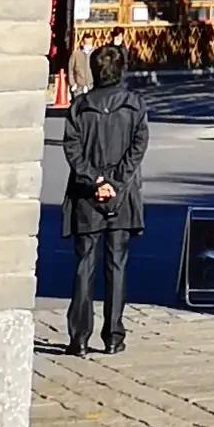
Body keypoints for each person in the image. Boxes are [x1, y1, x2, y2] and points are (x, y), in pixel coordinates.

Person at [63, 41, 147, 353]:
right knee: (117, 264)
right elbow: (138, 148)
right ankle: (113, 336)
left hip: (87, 194)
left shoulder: (80, 107)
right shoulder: (134, 105)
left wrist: (95, 179)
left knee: (84, 265)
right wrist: (116, 181)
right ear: (121, 69)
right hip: (122, 195)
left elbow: (71, 148)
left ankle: (79, 338)